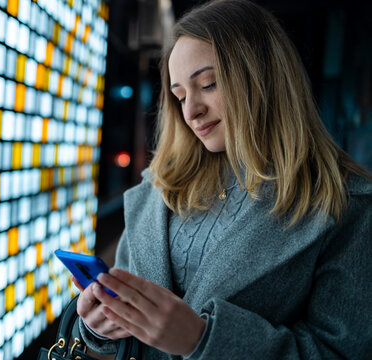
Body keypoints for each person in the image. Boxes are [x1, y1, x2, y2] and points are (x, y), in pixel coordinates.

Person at [72, 0, 372, 359]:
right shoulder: (161, 187)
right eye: (179, 95)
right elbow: (129, 308)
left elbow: (341, 351)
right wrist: (99, 325)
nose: (191, 111)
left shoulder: (347, 204)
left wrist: (202, 339)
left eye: (209, 84)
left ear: (264, 77)